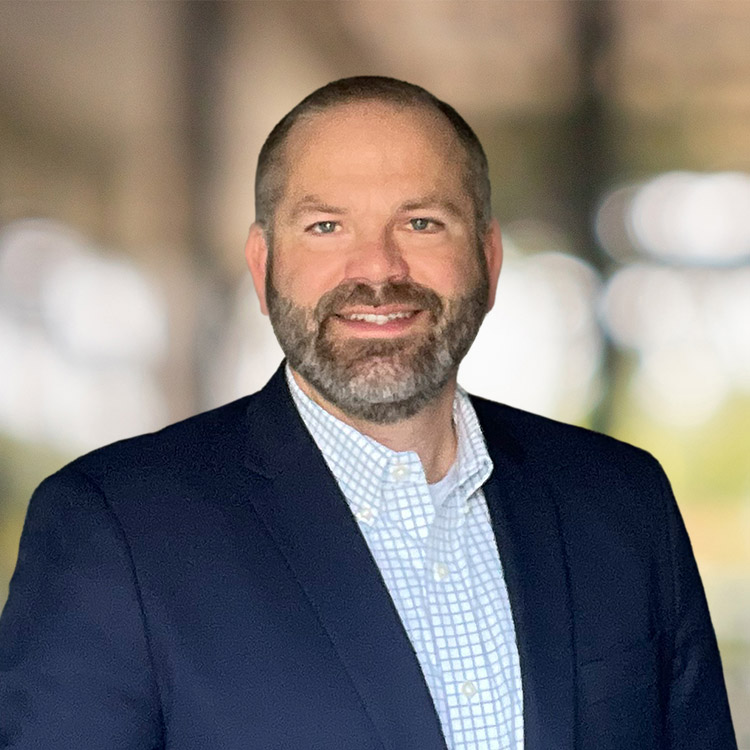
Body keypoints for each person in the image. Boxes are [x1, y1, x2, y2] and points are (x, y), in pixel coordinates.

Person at [0, 76, 737, 750]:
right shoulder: (113, 530)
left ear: (489, 261)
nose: (378, 268)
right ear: (263, 269)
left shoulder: (622, 500)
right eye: (326, 227)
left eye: (421, 223)